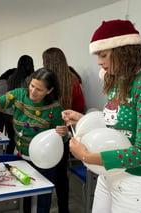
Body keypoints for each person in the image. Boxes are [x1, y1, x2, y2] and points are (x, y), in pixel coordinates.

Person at [62, 19, 141, 212]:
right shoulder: (117, 80)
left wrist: (87, 156)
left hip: (135, 184)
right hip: (108, 175)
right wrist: (83, 120)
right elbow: (116, 128)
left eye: (103, 55)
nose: (99, 62)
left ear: (124, 51)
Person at [0, 68, 68, 213]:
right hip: (22, 158)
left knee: (41, 203)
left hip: (45, 163)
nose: (32, 91)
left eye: (39, 89)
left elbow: (60, 139)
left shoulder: (55, 109)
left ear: (49, 91)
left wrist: (63, 133)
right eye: (32, 86)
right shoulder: (19, 95)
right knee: (24, 199)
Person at [42, 47, 86, 213]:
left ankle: (43, 207)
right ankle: (63, 209)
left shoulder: (45, 81)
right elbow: (80, 106)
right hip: (64, 133)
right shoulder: (73, 80)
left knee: (43, 174)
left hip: (44, 133)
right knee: (62, 176)